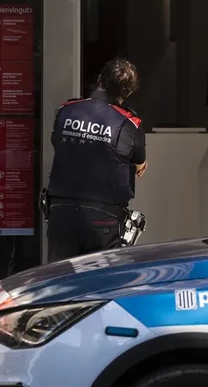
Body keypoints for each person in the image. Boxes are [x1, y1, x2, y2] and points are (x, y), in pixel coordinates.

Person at [43, 58, 147, 263]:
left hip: (60, 212)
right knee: (100, 278)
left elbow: (57, 142)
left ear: (100, 80)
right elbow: (140, 164)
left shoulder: (66, 110)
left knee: (58, 276)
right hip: (103, 217)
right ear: (128, 93)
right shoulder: (129, 123)